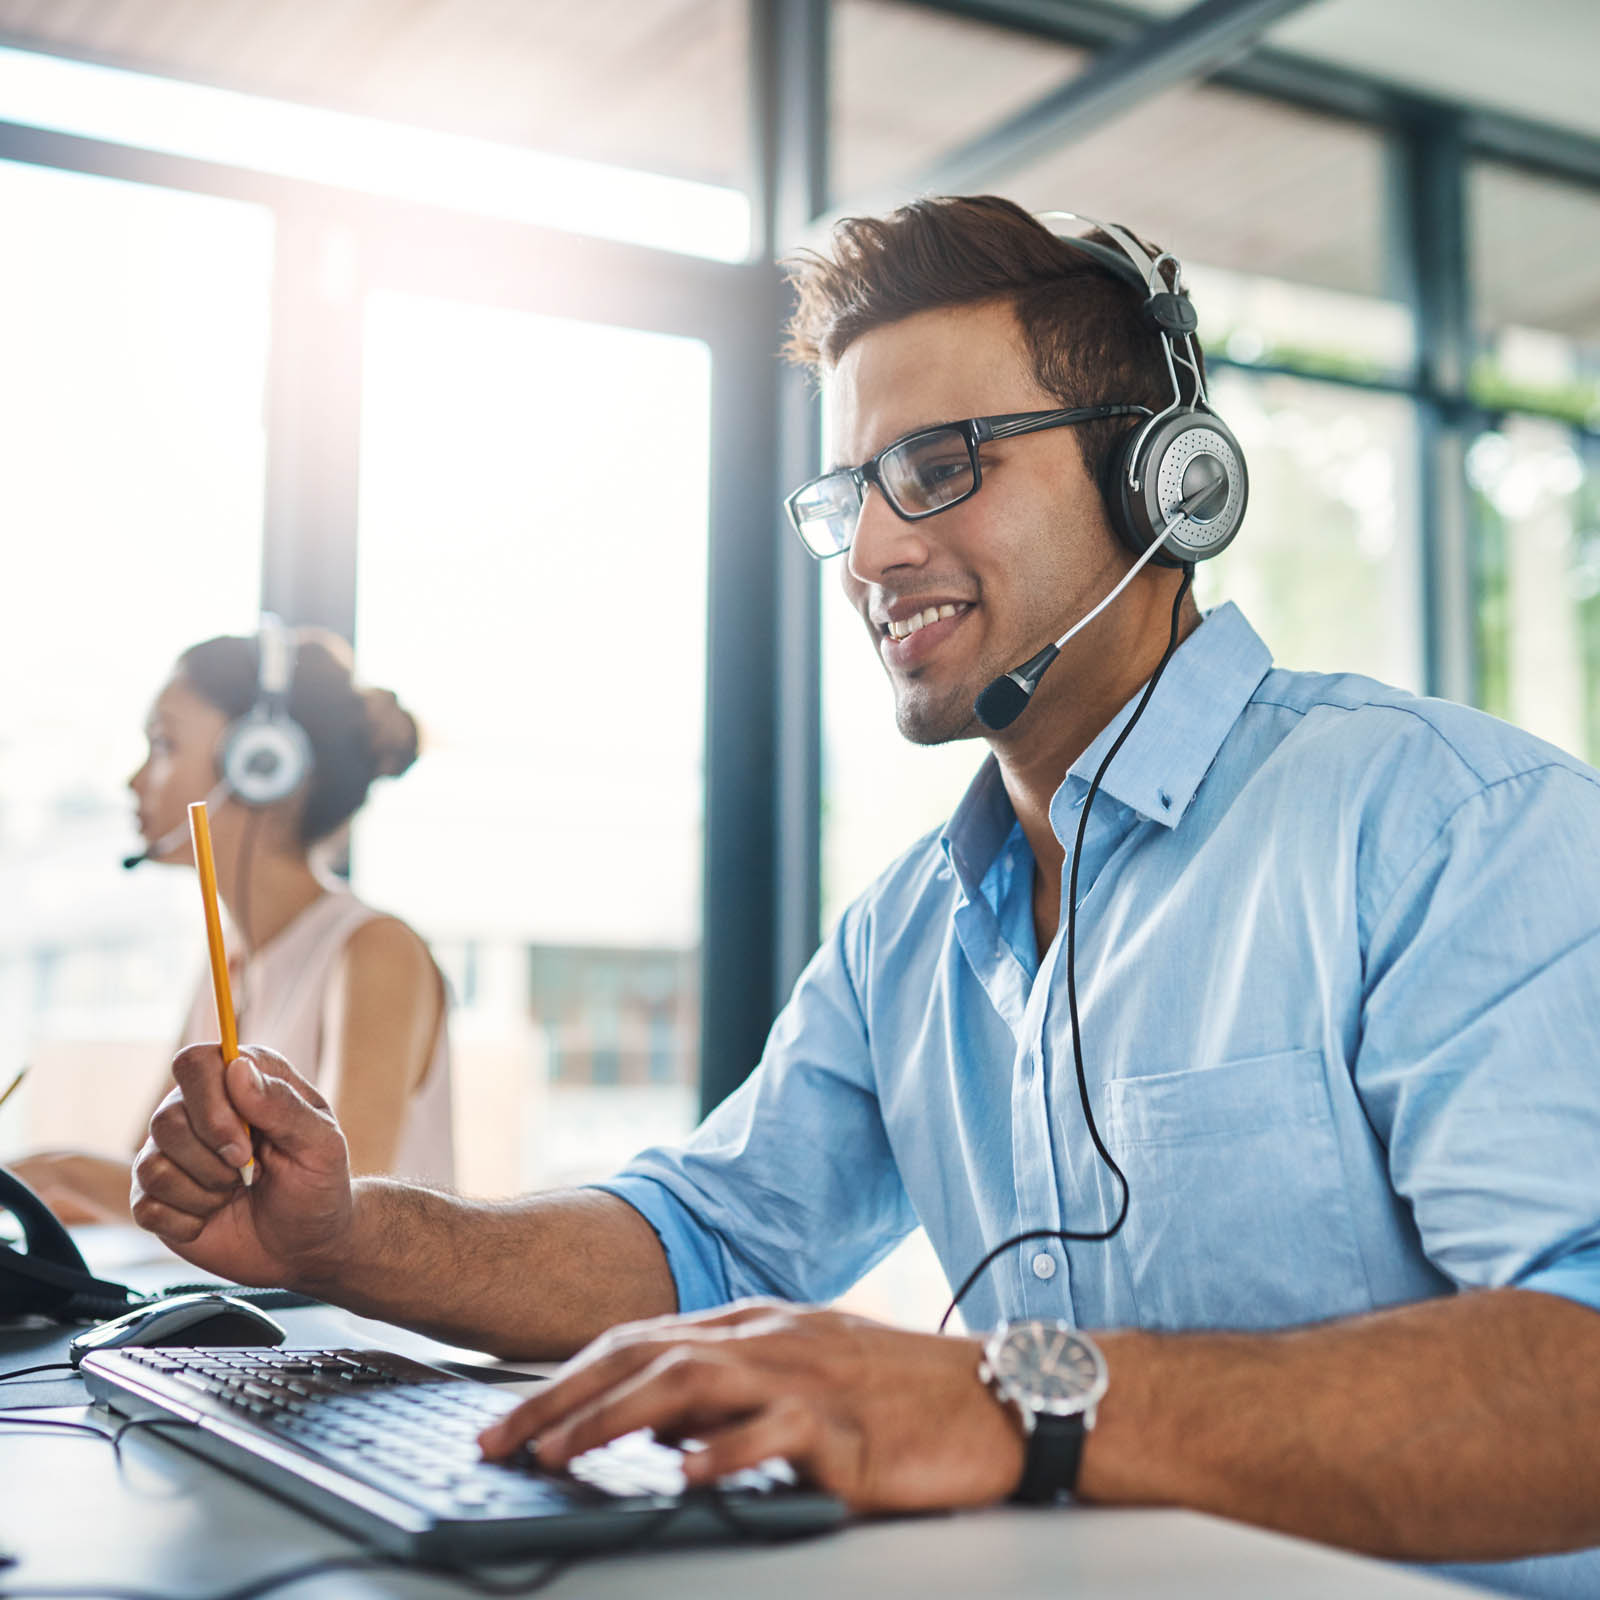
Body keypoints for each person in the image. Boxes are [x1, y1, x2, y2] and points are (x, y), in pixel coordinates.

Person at [130, 199, 1600, 1594]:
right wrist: (347, 1239)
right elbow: (701, 1241)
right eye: (854, 493)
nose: (880, 549)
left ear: (1167, 479)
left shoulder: (1445, 825)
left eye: (947, 463)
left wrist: (1004, 1401)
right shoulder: (912, 928)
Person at [16, 626, 453, 1220]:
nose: (134, 780)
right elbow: (151, 1178)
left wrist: (55, 1174)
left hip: (344, 1317)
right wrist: (40, 1184)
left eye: (164, 745)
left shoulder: (376, 951)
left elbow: (337, 1217)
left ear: (258, 764)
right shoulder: (230, 962)